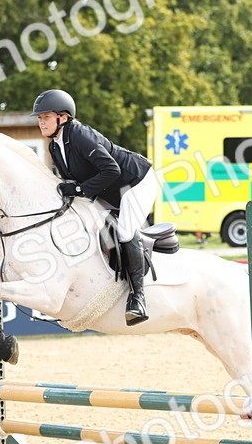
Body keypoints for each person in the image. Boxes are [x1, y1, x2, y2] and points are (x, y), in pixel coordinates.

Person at [30, 89, 159, 326]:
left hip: (136, 183)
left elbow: (112, 170)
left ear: (63, 117)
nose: (41, 122)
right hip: (109, 189)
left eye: (45, 117)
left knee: (125, 231)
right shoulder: (55, 147)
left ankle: (138, 299)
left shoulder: (80, 135)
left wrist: (79, 190)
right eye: (39, 118)